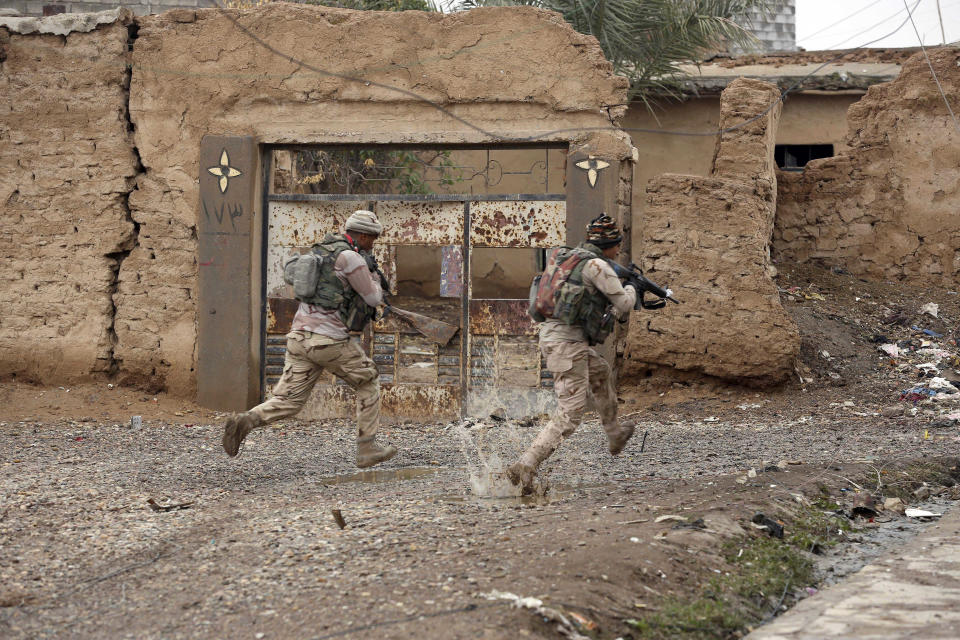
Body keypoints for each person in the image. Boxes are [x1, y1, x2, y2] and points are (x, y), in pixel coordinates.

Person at [222, 209, 397, 469]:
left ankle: (245, 421)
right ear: (362, 235)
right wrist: (373, 278)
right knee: (368, 381)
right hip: (330, 341)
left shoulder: (319, 252)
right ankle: (367, 447)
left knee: (289, 401)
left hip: (299, 338)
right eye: (372, 238)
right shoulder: (351, 258)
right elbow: (373, 298)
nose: (374, 243)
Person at [507, 214, 637, 492]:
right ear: (611, 245)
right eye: (617, 246)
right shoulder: (597, 265)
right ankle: (527, 463)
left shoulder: (567, 257)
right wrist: (632, 288)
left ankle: (614, 435)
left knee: (600, 372)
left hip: (559, 338)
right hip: (567, 343)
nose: (618, 251)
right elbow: (624, 304)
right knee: (571, 412)